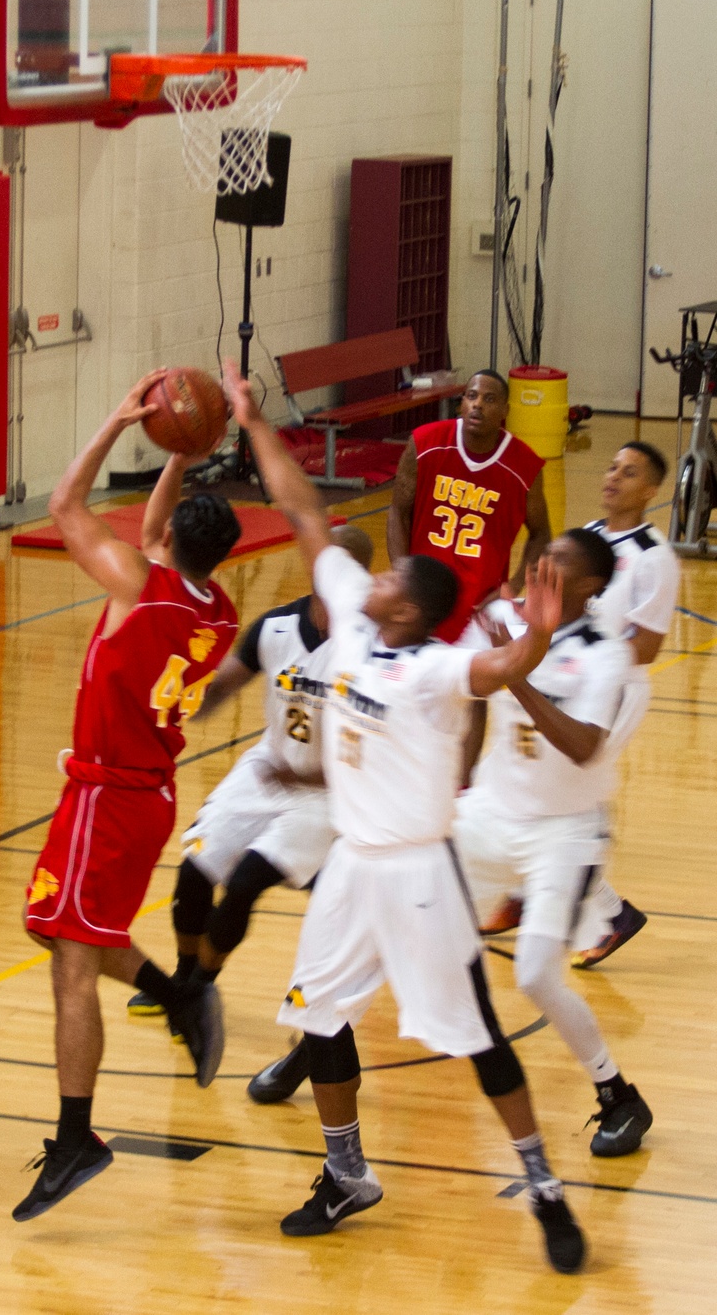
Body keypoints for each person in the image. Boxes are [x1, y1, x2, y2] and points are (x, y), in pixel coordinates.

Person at [224, 363, 585, 1274]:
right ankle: (346, 1172)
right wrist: (251, 419)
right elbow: (304, 510)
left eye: (389, 582)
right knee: (316, 1014)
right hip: (352, 866)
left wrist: (536, 632)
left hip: (420, 874)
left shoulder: (429, 671)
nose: (369, 579)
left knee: (479, 1041)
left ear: (414, 609)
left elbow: (499, 674)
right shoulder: (351, 621)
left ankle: (542, 1185)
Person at [14, 372, 242, 1224]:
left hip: (108, 797)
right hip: (136, 797)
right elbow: (156, 530)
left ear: (169, 542)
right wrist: (182, 455)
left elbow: (66, 505)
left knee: (72, 964)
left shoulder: (137, 588)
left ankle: (78, 1137)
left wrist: (118, 423)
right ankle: (180, 994)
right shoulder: (213, 607)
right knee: (51, 927)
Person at [125, 524, 374, 1027]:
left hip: (327, 791)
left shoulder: (369, 649)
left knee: (244, 882)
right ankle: (182, 976)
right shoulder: (276, 626)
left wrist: (312, 779)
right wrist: (179, 701)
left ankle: (198, 992)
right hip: (268, 766)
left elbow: (373, 753)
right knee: (195, 867)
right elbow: (219, 688)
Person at [454, 529, 653, 1157]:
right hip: (487, 812)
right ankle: (320, 1052)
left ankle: (618, 1095)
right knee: (394, 912)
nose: (546, 564)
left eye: (564, 561)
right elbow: (465, 690)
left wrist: (516, 670)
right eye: (546, 555)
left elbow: (583, 744)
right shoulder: (499, 618)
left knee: (537, 976)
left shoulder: (606, 655)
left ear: (592, 586)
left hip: (564, 832)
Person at [482, 441, 680, 966]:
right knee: (533, 781)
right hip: (559, 671)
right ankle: (525, 894)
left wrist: (584, 656)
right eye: (613, 466)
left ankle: (612, 914)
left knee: (569, 791)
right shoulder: (587, 538)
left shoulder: (656, 557)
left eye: (630, 471)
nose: (614, 476)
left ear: (651, 490)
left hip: (610, 687)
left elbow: (649, 644)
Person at [386, 370, 551, 643]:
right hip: (420, 598)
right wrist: (402, 576)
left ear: (504, 410)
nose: (478, 405)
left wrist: (514, 585)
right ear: (461, 402)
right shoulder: (424, 443)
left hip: (479, 608)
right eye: (472, 396)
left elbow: (541, 534)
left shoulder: (524, 466)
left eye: (489, 399)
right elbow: (398, 512)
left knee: (477, 682)